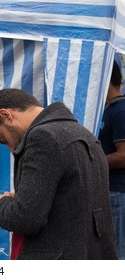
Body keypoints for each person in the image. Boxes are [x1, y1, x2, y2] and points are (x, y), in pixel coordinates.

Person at [0, 88, 118, 260]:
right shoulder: (86, 135)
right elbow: (74, 202)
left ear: (6, 115)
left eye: (4, 139)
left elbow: (25, 219)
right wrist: (24, 198)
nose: (12, 149)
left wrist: (0, 204)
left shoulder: (42, 137)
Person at [98, 60, 125, 259]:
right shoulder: (109, 109)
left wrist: (92, 162)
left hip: (118, 192)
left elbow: (123, 155)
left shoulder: (120, 110)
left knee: (117, 252)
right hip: (112, 191)